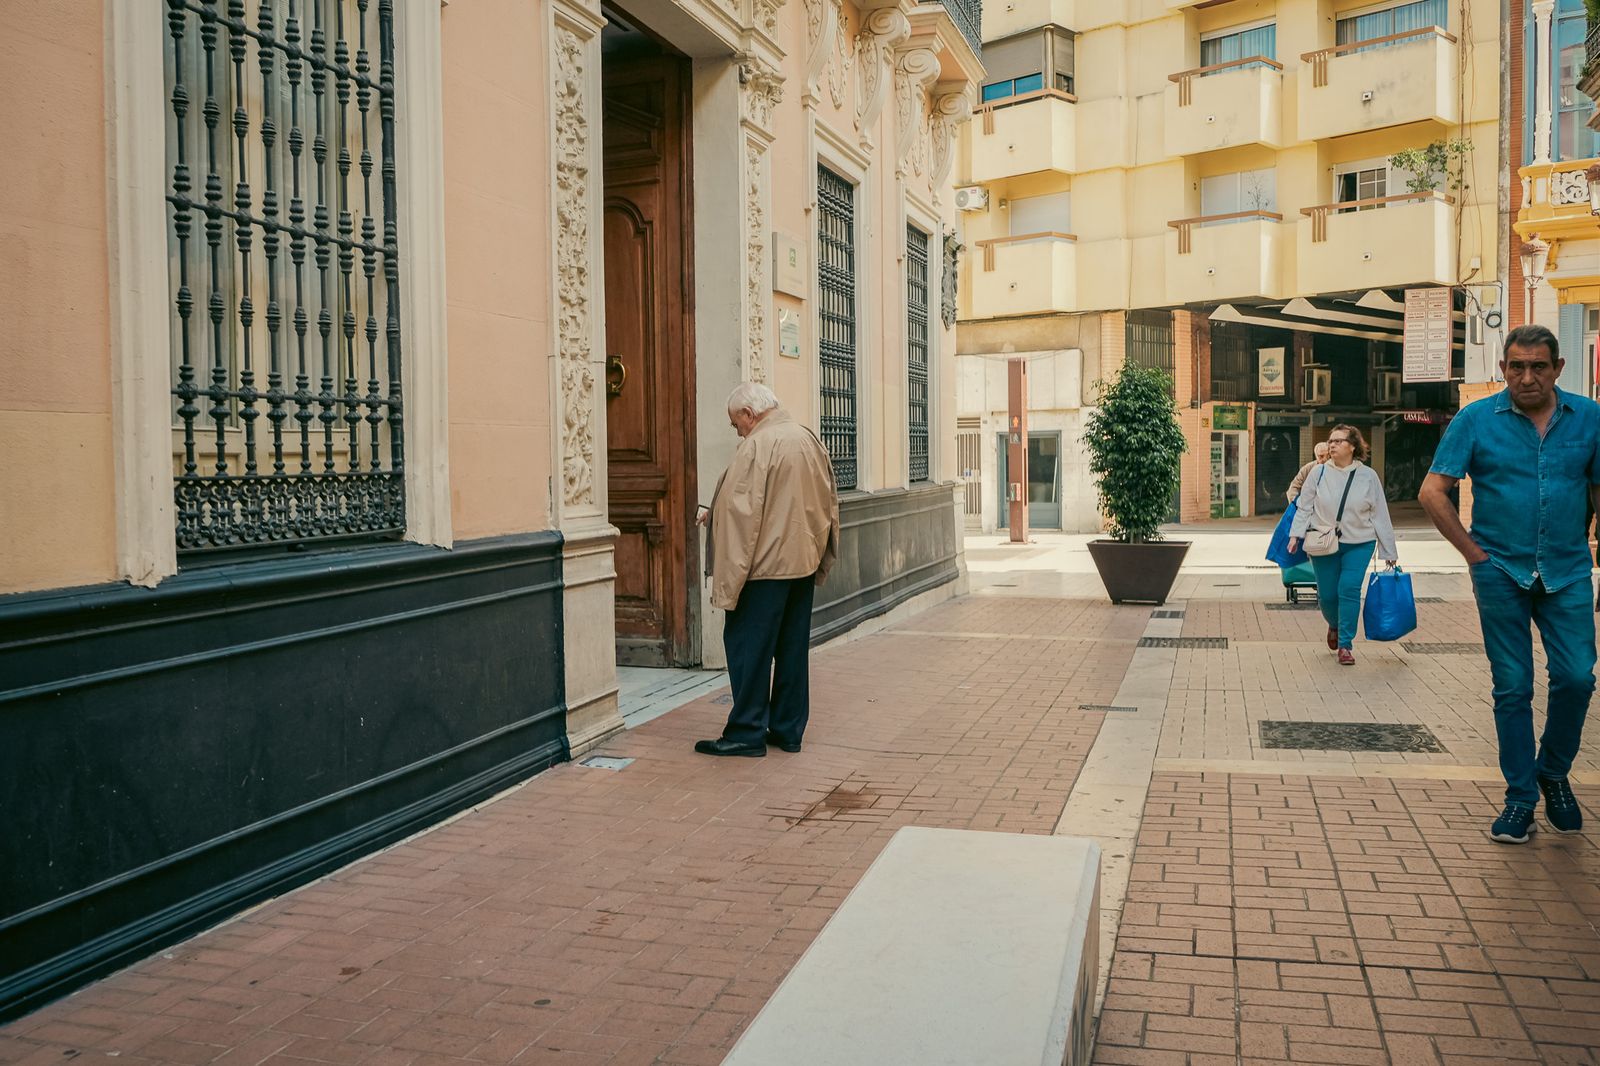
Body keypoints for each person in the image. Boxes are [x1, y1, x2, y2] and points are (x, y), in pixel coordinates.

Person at [1419, 323, 1600, 844]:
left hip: (1567, 571)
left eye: (1538, 366)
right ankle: (1520, 797)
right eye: (1516, 366)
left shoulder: (1589, 418)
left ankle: (1554, 771)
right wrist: (1474, 555)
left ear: (1558, 369)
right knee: (1513, 686)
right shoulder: (1476, 420)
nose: (1526, 377)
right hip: (1500, 571)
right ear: (1502, 369)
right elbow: (1434, 491)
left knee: (1577, 677)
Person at [694, 383, 840, 757]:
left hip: (763, 568)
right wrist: (821, 555)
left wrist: (726, 567)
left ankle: (746, 732)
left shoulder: (758, 446)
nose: (737, 430)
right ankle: (789, 730)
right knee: (792, 651)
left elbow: (743, 513)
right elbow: (828, 503)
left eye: (735, 423)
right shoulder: (808, 439)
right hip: (801, 564)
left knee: (748, 649)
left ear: (749, 414)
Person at [1287, 425, 1398, 666]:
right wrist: (1295, 535)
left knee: (1349, 589)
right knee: (1327, 595)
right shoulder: (1318, 473)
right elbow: (1305, 506)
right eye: (1330, 441)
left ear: (1353, 446)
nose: (1332, 445)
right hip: (1324, 541)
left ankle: (1346, 645)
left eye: (1338, 441)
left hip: (1360, 542)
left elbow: (1380, 514)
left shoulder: (1368, 476)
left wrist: (1389, 550)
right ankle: (1334, 624)